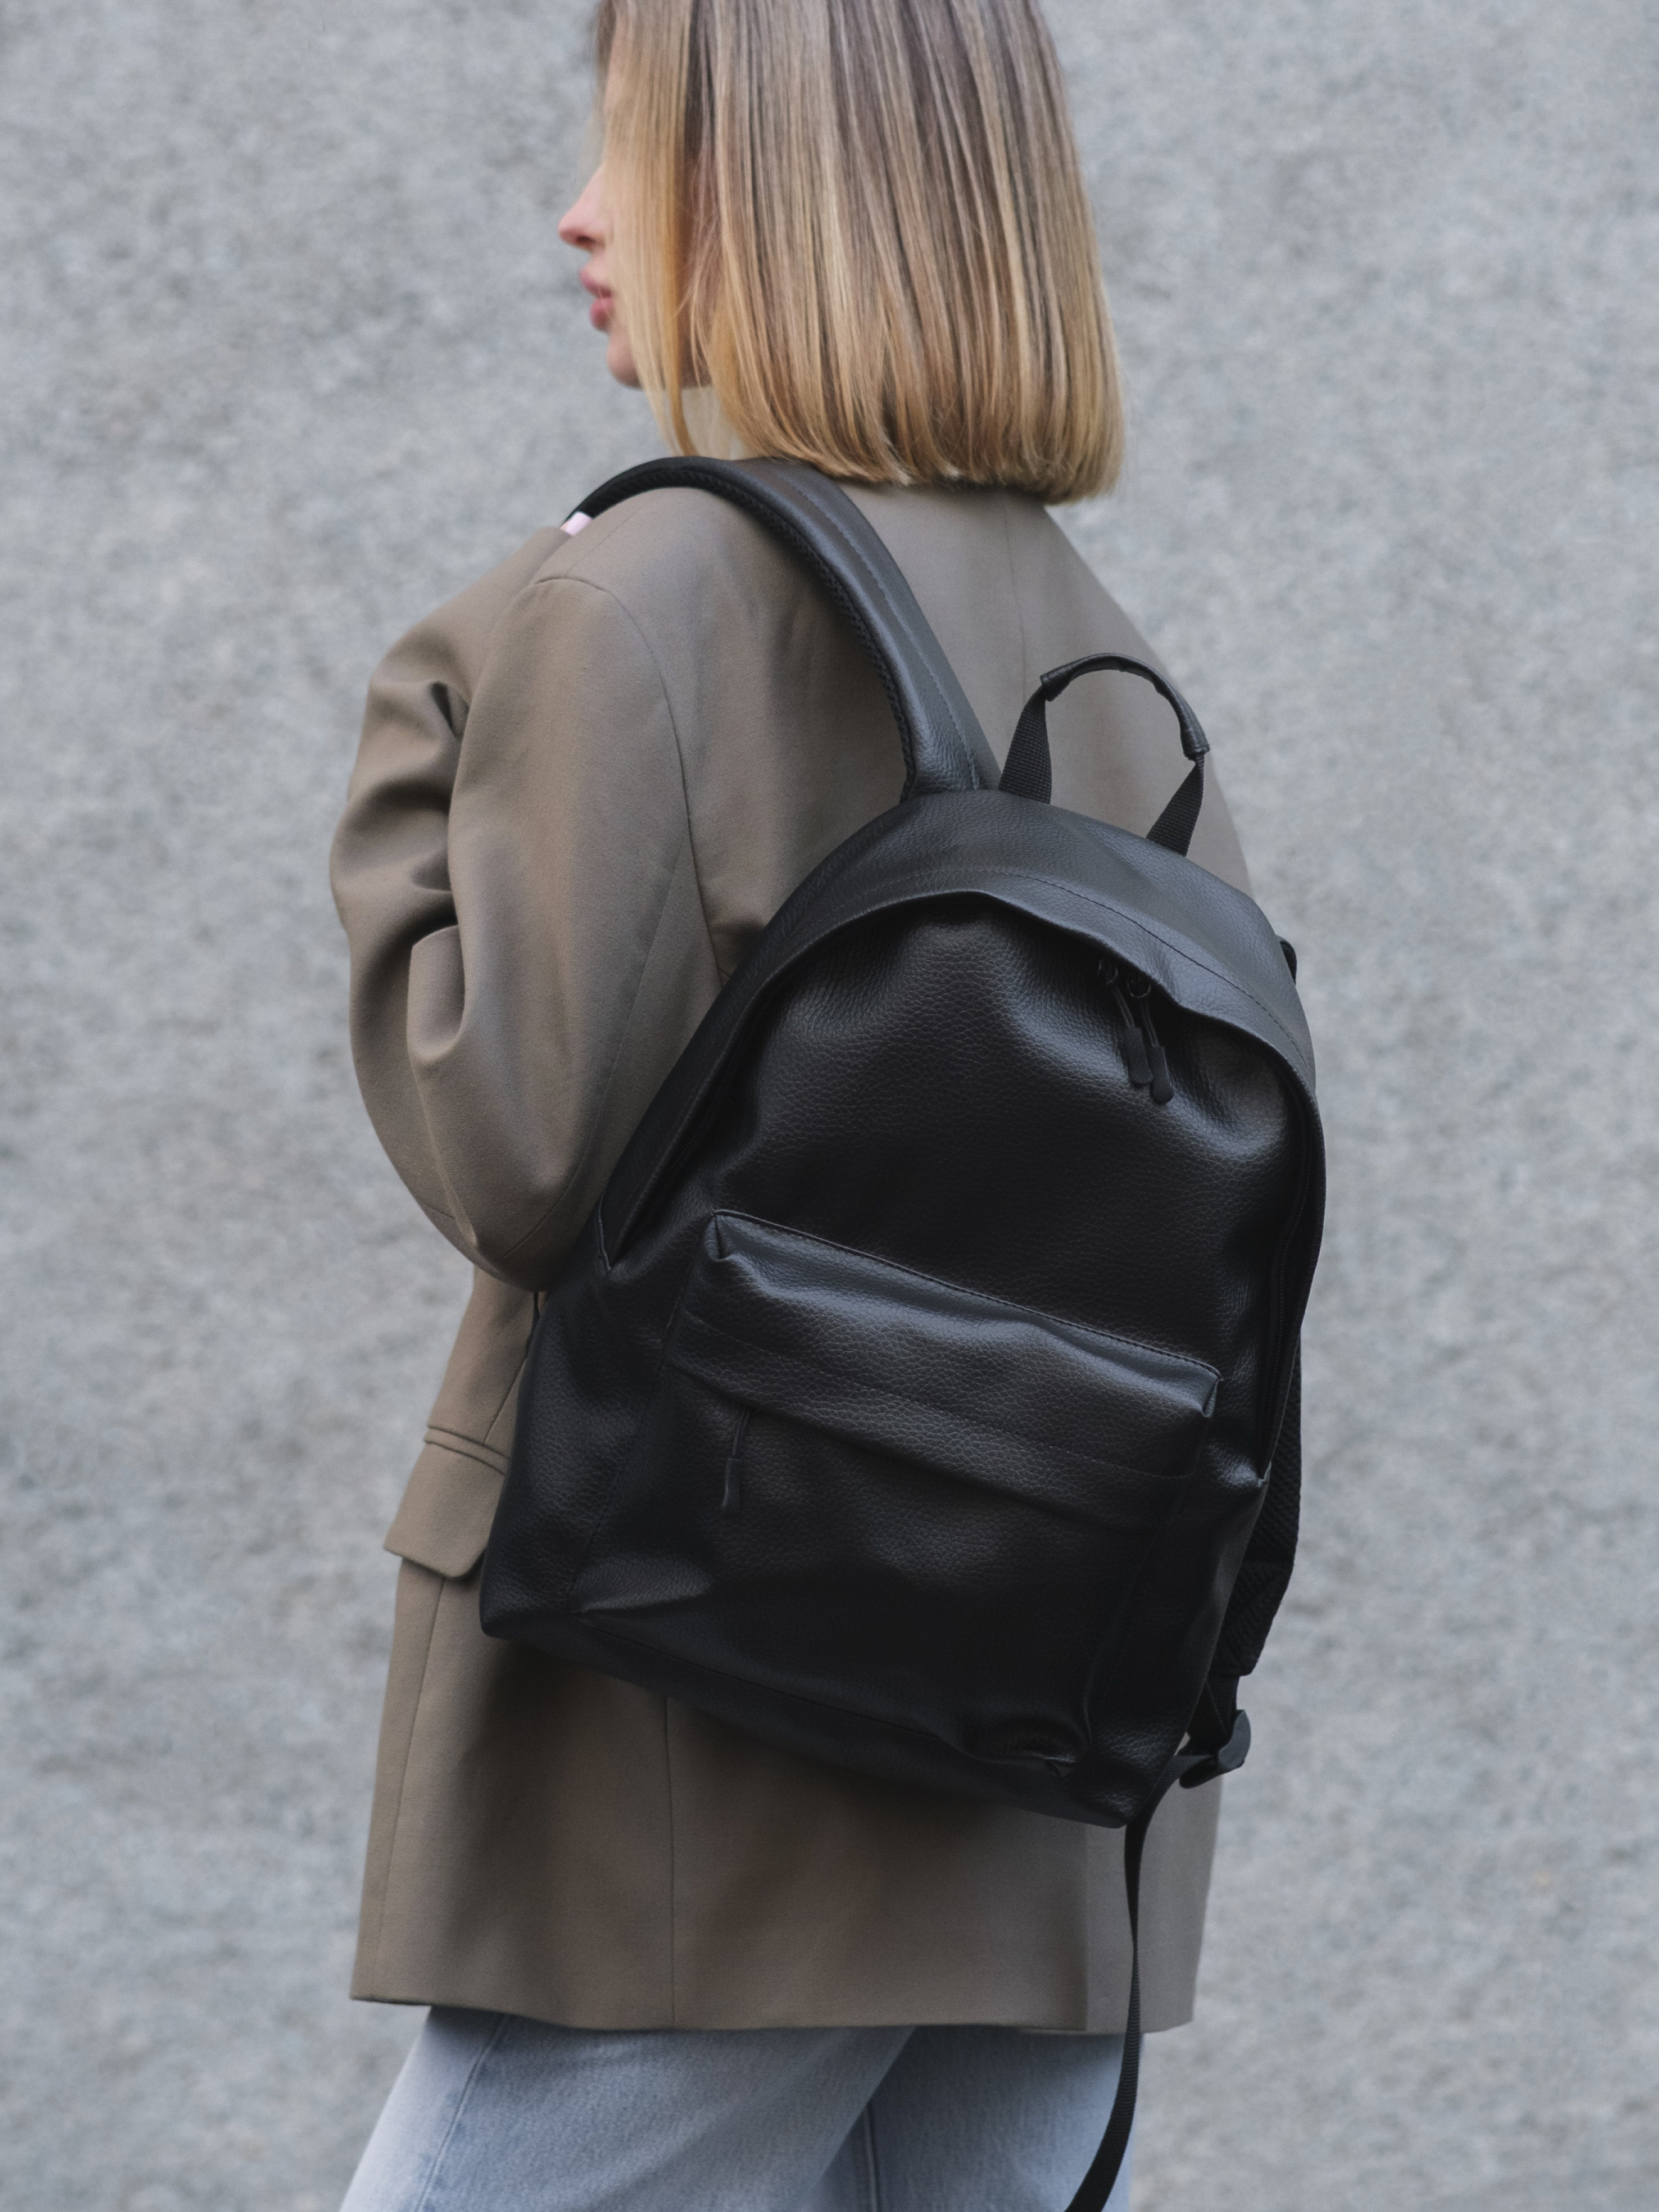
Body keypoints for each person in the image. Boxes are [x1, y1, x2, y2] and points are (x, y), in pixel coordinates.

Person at [330, 2, 1254, 2205]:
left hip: (699, 1778)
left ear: (778, 188)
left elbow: (516, 1148)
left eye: (630, 142)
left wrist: (427, 737)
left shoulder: (651, 590)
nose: (578, 212)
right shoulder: (1104, 646)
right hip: (1044, 1789)